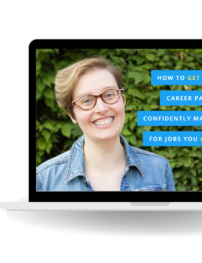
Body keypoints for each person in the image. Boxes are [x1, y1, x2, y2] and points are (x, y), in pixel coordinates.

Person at [36, 57, 176, 191]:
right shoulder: (44, 179)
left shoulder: (159, 169)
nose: (102, 108)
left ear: (123, 101)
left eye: (109, 94)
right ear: (72, 115)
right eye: (86, 100)